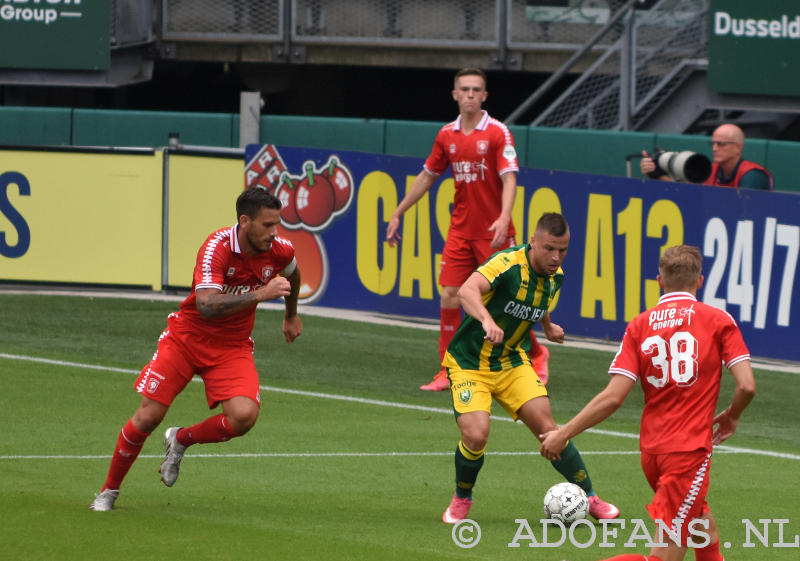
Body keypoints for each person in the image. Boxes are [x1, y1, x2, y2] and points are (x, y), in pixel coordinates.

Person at [89, 187, 303, 511]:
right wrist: (260, 294)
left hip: (232, 347)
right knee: (149, 415)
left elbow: (294, 274)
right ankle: (108, 491)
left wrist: (291, 315)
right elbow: (205, 305)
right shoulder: (216, 247)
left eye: (277, 224)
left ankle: (181, 439)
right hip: (187, 338)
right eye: (267, 225)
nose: (275, 233)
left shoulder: (280, 250)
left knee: (244, 417)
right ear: (245, 221)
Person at [540, 245, 756, 561]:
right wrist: (732, 415)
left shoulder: (640, 325)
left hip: (652, 455)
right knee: (664, 556)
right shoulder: (717, 320)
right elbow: (747, 386)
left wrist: (565, 432)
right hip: (687, 455)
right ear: (700, 281)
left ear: (659, 280)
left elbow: (613, 397)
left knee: (701, 524)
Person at [440, 213, 620, 524]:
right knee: (476, 436)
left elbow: (539, 300)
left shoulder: (556, 275)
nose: (556, 257)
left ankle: (589, 497)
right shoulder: (507, 264)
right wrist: (487, 321)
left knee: (550, 431)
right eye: (550, 248)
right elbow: (467, 291)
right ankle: (462, 497)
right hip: (470, 362)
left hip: (511, 361)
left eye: (563, 250)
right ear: (533, 241)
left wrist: (548, 328)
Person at [386, 67, 552, 392]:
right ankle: (447, 371)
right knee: (449, 296)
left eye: (477, 90)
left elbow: (509, 177)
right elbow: (427, 176)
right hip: (460, 230)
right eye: (465, 89)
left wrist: (505, 216)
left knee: (506, 301)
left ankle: (537, 353)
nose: (471, 95)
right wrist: (399, 211)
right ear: (455, 94)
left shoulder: (497, 133)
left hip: (494, 232)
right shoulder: (447, 135)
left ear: (485, 96)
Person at [640, 124, 772, 190]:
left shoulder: (753, 175)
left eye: (721, 144)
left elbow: (743, 211)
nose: (714, 148)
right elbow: (684, 193)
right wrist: (655, 175)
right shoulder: (709, 170)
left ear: (738, 147)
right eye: (713, 143)